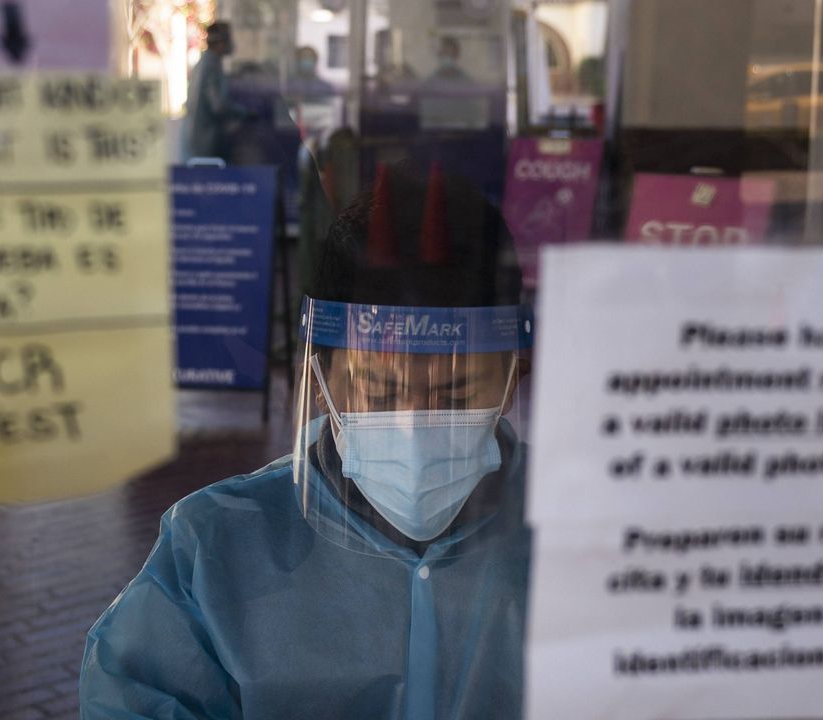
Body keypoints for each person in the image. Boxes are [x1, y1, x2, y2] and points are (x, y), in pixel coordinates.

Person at [81, 163, 532, 719]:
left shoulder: (581, 536)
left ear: (514, 376)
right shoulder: (218, 548)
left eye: (456, 395)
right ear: (319, 377)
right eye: (381, 391)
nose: (415, 424)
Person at [185, 21, 246, 162]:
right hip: (207, 143)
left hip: (199, 140)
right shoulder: (211, 66)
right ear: (221, 43)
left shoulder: (204, 63)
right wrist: (244, 113)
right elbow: (218, 105)